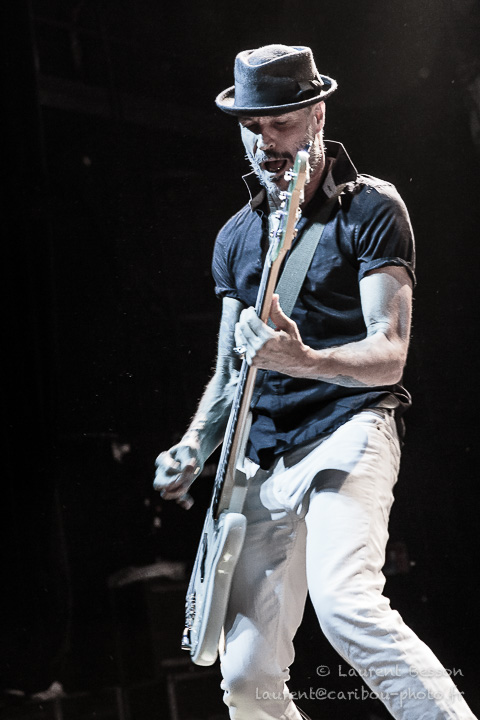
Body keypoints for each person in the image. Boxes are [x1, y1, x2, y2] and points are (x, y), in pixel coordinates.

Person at [154, 45, 476, 720]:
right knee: (246, 677)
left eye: (281, 122)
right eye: (252, 126)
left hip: (349, 429)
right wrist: (193, 448)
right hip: (265, 456)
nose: (265, 141)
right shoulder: (235, 237)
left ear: (317, 115)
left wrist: (305, 361)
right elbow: (230, 372)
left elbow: (389, 354)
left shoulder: (371, 207)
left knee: (346, 604)